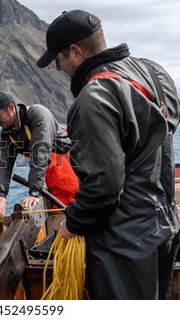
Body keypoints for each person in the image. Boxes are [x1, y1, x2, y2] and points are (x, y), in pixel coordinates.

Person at [37, 9, 180, 299]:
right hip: (166, 226)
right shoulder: (154, 71)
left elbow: (104, 187)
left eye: (59, 60)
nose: (59, 69)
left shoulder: (93, 98)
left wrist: (72, 223)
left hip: (126, 242)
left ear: (76, 52)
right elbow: (169, 123)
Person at [0, 91, 78, 217]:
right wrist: (1, 197)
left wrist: (34, 192)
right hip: (46, 168)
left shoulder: (38, 114)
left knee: (70, 200)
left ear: (11, 108)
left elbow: (40, 151)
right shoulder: (5, 136)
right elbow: (1, 165)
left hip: (69, 161)